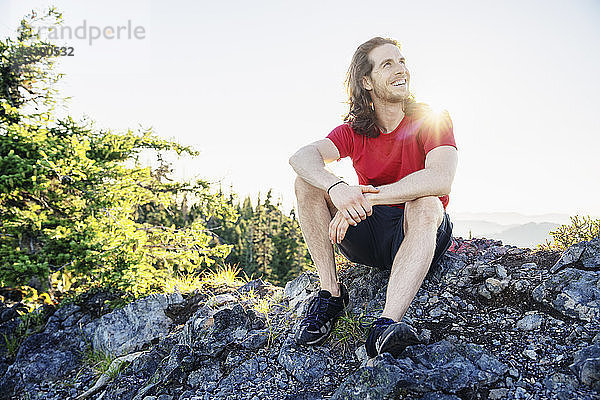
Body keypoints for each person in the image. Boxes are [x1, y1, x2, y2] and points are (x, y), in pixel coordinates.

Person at [288, 37, 458, 358]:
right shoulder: (354, 130)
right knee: (306, 182)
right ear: (366, 82)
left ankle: (386, 324)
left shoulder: (432, 119)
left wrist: (371, 198)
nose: (401, 69)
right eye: (387, 64)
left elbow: (441, 179)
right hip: (370, 235)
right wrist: (338, 188)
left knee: (426, 201)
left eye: (402, 61)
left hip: (419, 232)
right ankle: (331, 294)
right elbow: (301, 157)